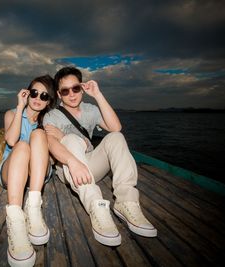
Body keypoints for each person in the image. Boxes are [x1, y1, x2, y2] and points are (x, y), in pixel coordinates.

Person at [43, 66, 157, 247]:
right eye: (65, 91)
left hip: (90, 167)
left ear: (81, 88)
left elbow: (116, 128)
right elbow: (50, 144)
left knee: (116, 138)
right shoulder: (52, 116)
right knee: (71, 140)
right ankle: (97, 207)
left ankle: (126, 202)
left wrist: (97, 95)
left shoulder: (91, 110)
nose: (71, 95)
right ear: (59, 94)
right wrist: (72, 160)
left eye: (76, 88)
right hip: (69, 169)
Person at [0, 74, 56, 267]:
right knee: (22, 145)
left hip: (37, 174)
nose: (38, 99)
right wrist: (20, 106)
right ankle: (15, 220)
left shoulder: (48, 121)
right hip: (12, 170)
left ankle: (33, 206)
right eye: (34, 93)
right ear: (26, 93)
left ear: (49, 102)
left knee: (39, 134)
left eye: (44, 96)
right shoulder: (11, 114)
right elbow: (11, 141)